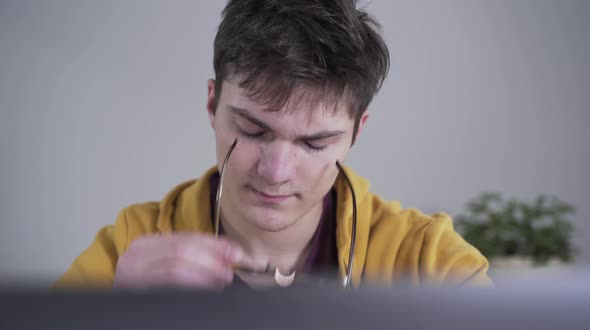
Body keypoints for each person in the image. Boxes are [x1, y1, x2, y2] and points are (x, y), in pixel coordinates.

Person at [55, 0, 491, 289]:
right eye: (252, 129)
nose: (276, 171)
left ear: (357, 132)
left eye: (315, 143)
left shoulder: (427, 260)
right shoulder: (129, 249)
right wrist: (113, 314)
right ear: (212, 103)